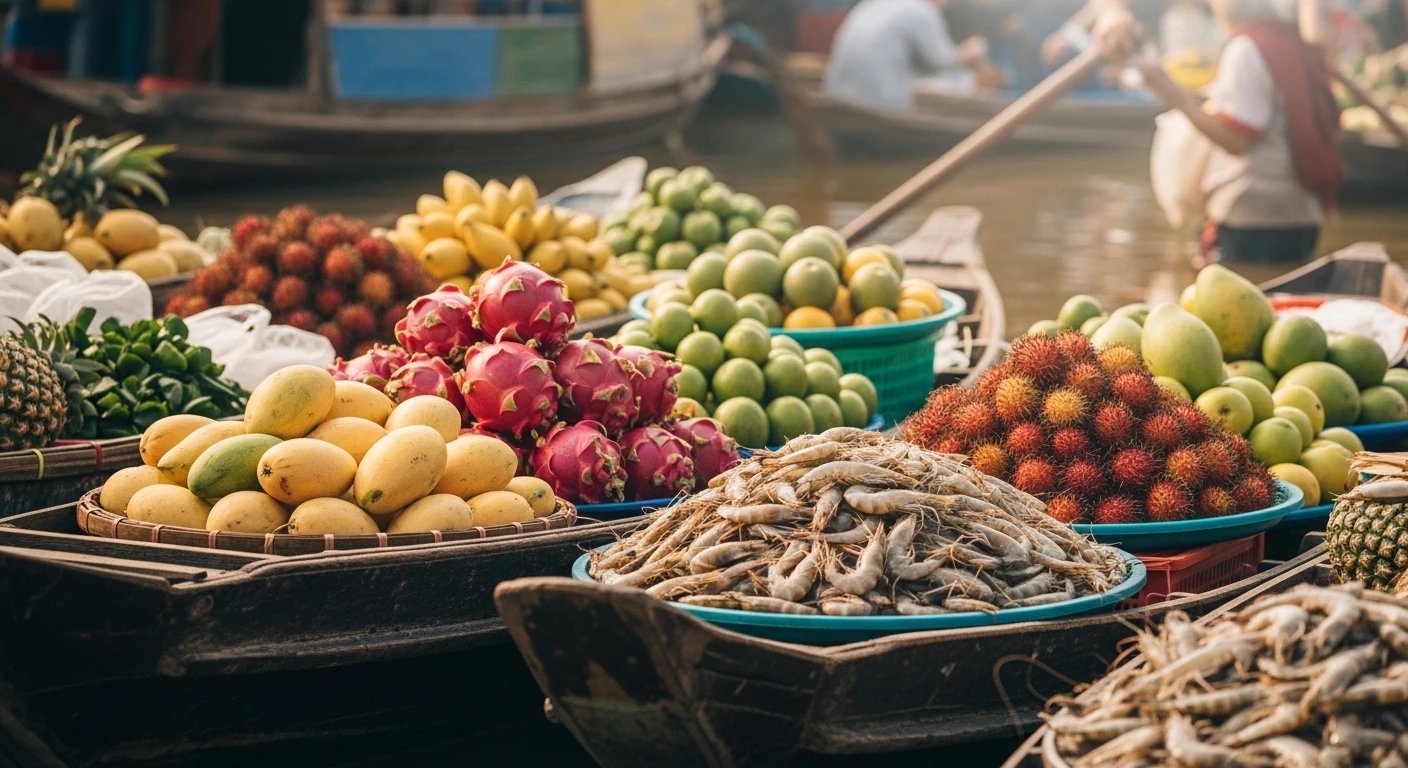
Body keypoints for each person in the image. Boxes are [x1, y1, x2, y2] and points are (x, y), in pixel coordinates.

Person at [1100, 0, 1344, 265]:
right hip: (1299, 216)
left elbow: (1236, 139)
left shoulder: (1247, 48)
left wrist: (1169, 91)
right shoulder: (1290, 40)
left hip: (1253, 217)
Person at [823, 0, 989, 111]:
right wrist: (970, 52)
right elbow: (940, 61)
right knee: (963, 78)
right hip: (882, 102)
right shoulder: (922, 11)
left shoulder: (873, 3)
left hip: (836, 95)